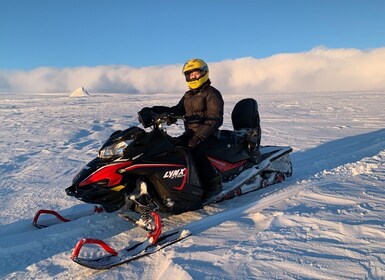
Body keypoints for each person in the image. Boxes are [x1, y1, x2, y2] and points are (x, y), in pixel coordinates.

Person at [139, 58, 224, 197]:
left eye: (196, 73)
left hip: (208, 134)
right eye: (190, 75)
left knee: (194, 151)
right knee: (171, 148)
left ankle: (213, 184)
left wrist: (198, 137)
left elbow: (215, 119)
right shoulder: (188, 95)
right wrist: (154, 111)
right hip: (191, 133)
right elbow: (177, 110)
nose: (193, 77)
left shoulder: (212, 93)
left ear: (204, 73)